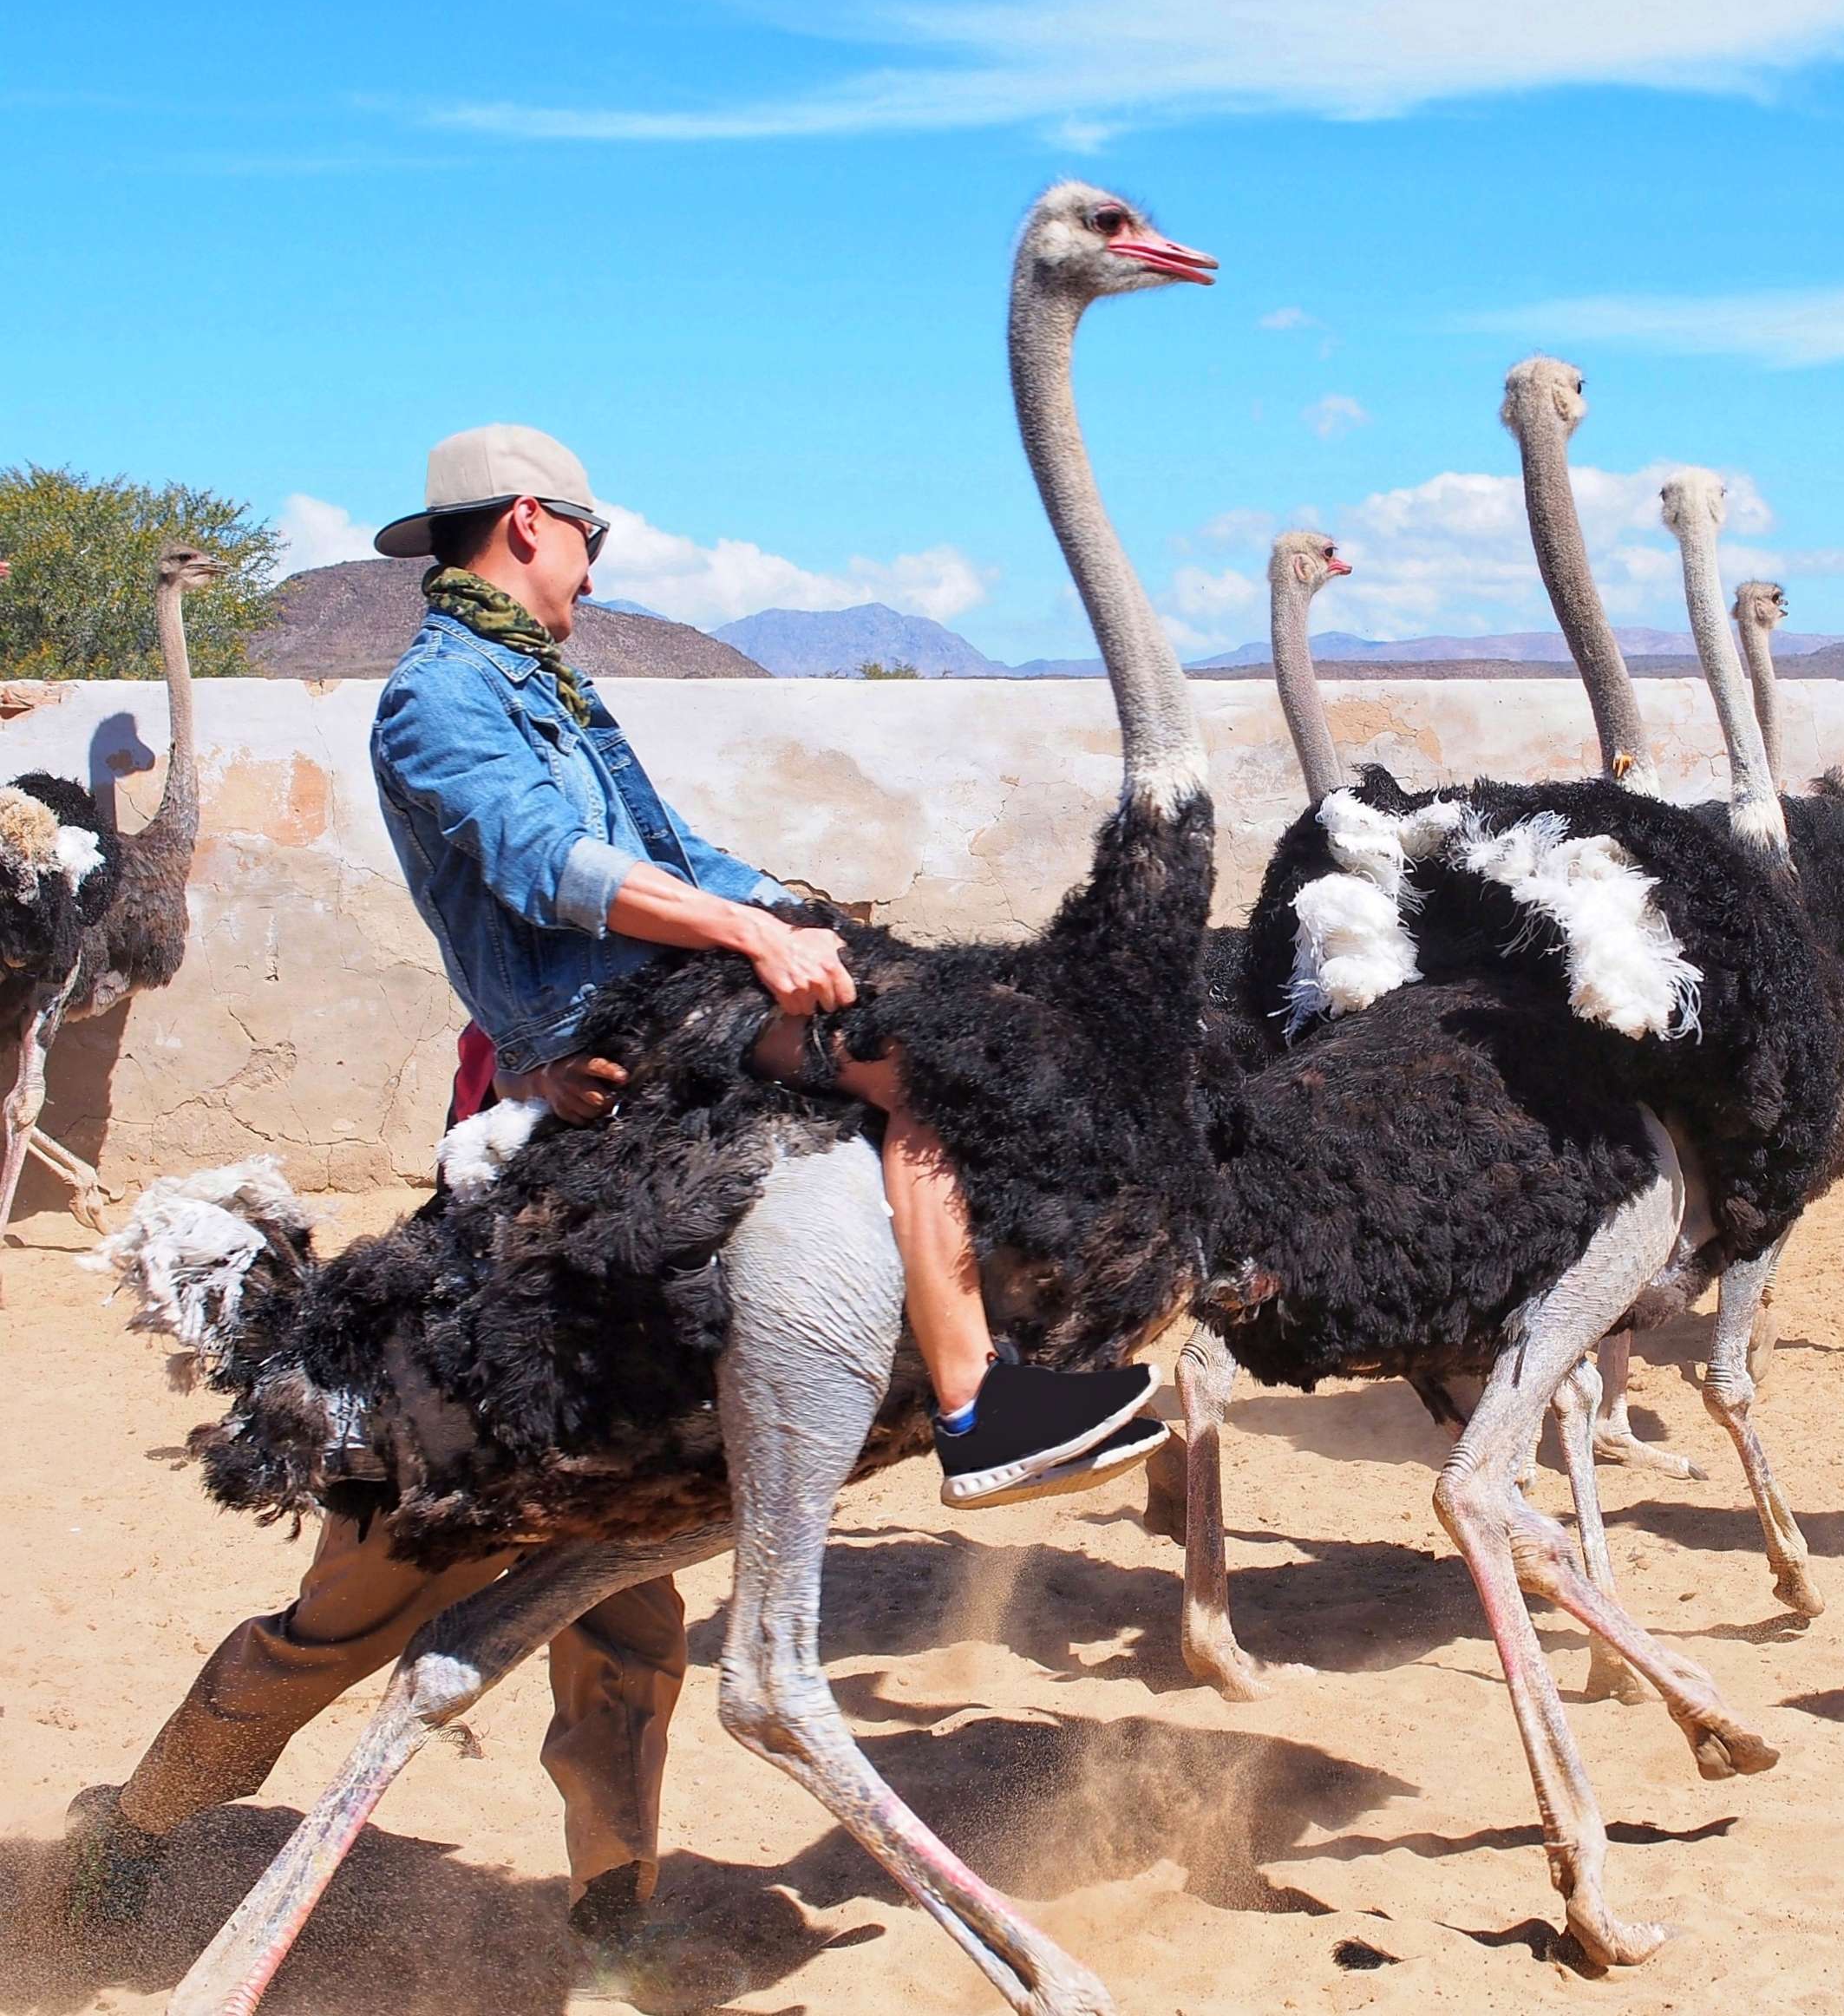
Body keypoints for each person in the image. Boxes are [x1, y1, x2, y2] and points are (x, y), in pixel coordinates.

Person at [65, 426, 1160, 1954]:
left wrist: (786, 902)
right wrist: (747, 938)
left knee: (630, 1603)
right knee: (354, 1615)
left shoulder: (550, 684)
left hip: (642, 1038)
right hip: (600, 1034)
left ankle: (613, 1921)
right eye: (591, 540)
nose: (598, 568)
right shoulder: (439, 695)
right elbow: (548, 862)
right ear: (532, 523)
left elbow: (660, 841)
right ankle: (131, 1839)